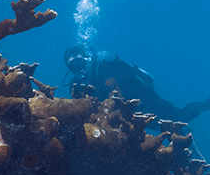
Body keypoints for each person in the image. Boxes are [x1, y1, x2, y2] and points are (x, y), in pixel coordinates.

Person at [64, 44, 210, 122]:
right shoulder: (76, 84)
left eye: (79, 63)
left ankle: (206, 104)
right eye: (73, 67)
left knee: (179, 118)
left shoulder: (102, 62)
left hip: (142, 97)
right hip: (124, 115)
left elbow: (114, 92)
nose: (79, 70)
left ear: (88, 58)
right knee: (165, 127)